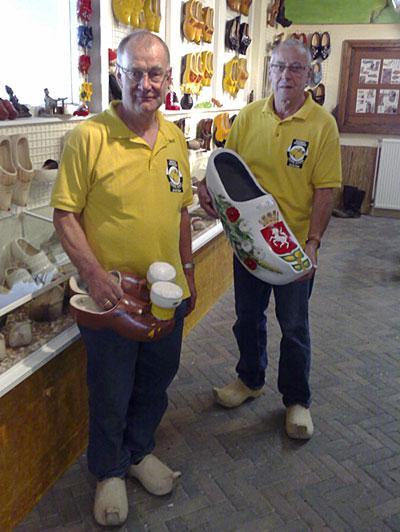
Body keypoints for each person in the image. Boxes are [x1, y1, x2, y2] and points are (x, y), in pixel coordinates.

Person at [51, 30, 196, 527]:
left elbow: (181, 213)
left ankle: (139, 452)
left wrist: (190, 271)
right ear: (119, 74)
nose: (146, 83)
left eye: (156, 73)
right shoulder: (89, 137)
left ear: (168, 78)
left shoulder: (176, 137)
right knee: (111, 387)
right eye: (135, 72)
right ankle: (109, 470)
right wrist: (93, 276)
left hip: (165, 296)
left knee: (157, 380)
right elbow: (65, 215)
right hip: (109, 297)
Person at [198, 39, 341, 441]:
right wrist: (205, 188)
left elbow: (326, 191)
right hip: (249, 247)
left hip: (292, 248)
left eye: (296, 68)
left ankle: (297, 400)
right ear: (269, 72)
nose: (286, 76)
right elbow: (228, 168)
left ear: (309, 75)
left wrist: (312, 244)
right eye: (279, 67)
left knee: (294, 326)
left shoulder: (322, 125)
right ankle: (250, 379)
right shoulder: (248, 117)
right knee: (247, 318)